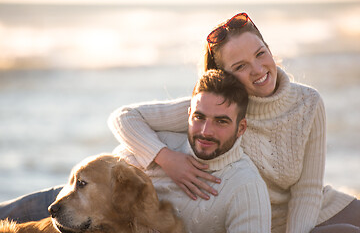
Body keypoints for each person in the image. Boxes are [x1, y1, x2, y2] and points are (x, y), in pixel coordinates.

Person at [107, 12, 359, 233]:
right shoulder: (217, 113)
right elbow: (124, 117)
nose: (258, 69)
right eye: (240, 66)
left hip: (315, 209)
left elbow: (308, 191)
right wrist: (166, 158)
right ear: (224, 76)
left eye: (261, 54)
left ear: (269, 49)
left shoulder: (309, 102)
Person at [112, 69, 271, 232]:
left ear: (241, 128)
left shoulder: (246, 185)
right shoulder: (159, 145)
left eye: (221, 121)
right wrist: (165, 158)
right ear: (188, 115)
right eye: (199, 117)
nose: (205, 131)